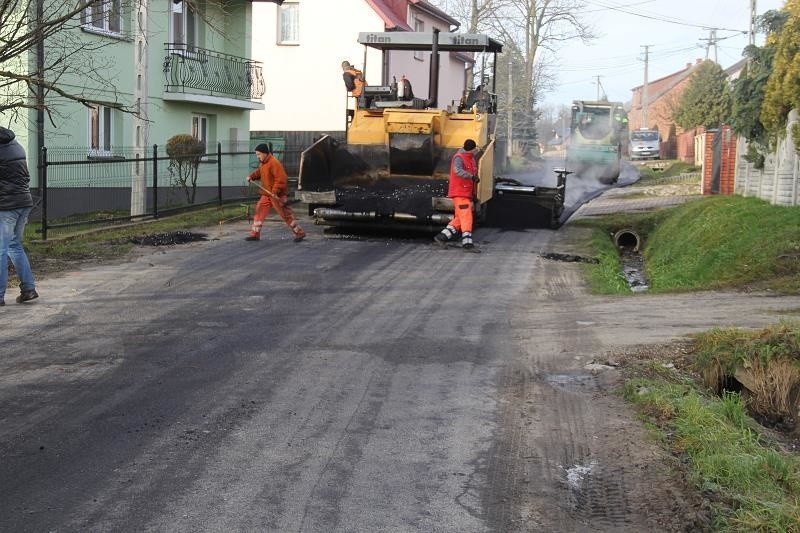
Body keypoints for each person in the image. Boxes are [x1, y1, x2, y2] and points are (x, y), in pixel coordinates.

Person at [0, 127, 38, 306]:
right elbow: (25, 176)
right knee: (14, 245)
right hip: (24, 202)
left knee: (0, 250)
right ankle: (29, 289)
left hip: (7, 207)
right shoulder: (16, 145)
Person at [245, 143, 305, 243]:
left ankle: (299, 233)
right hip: (267, 194)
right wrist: (251, 176)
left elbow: (281, 179)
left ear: (264, 153)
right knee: (259, 212)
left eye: (258, 154)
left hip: (277, 195)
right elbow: (260, 172)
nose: (257, 156)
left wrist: (274, 192)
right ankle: (255, 234)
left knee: (285, 215)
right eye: (257, 154)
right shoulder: (264, 163)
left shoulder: (274, 163)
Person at [434, 139, 479, 250]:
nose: (476, 151)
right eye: (475, 149)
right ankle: (467, 243)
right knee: (466, 217)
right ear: (472, 149)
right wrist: (471, 176)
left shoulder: (471, 159)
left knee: (459, 219)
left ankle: (442, 237)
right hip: (460, 193)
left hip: (466, 193)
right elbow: (457, 171)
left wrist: (473, 195)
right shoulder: (459, 157)